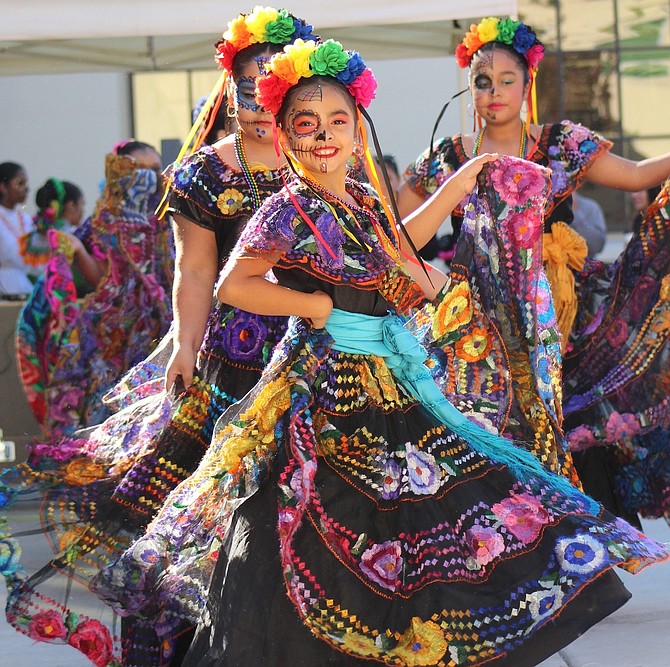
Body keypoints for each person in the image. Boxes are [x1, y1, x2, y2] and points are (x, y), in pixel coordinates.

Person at [88, 39, 668, 667]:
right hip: (323, 383)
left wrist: (459, 194)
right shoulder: (287, 207)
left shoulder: (361, 198)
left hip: (387, 376)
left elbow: (399, 246)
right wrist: (316, 309)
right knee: (316, 515)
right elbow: (232, 282)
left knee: (423, 509)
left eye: (339, 121)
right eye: (306, 125)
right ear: (284, 134)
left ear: (358, 125)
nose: (325, 136)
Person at [0, 8, 320, 667]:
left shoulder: (320, 158)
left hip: (314, 359)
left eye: (274, 87)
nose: (260, 102)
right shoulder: (203, 173)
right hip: (230, 368)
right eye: (247, 86)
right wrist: (183, 348)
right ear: (228, 90)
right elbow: (197, 270)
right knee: (214, 518)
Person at [398, 17, 670, 520]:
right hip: (478, 315)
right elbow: (399, 229)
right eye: (483, 81)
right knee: (494, 420)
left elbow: (636, 175)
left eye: (507, 80)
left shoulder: (561, 142)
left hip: (559, 312)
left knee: (563, 413)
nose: (494, 91)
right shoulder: (448, 157)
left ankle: (584, 540)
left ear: (528, 85)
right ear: (470, 88)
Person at [14, 141, 172, 439]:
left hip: (163, 333)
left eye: (156, 169)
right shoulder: (103, 222)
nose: (153, 178)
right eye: (143, 170)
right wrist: (78, 252)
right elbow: (104, 280)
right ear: (121, 173)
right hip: (115, 341)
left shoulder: (168, 217)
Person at [0, 161, 35, 296]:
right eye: (20, 183)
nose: (26, 189)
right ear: (3, 187)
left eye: (25, 184)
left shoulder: (26, 219)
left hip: (23, 283)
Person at [571, 190, 607, 258]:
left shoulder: (590, 207)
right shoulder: (546, 206)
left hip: (583, 265)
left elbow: (597, 246)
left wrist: (575, 212)